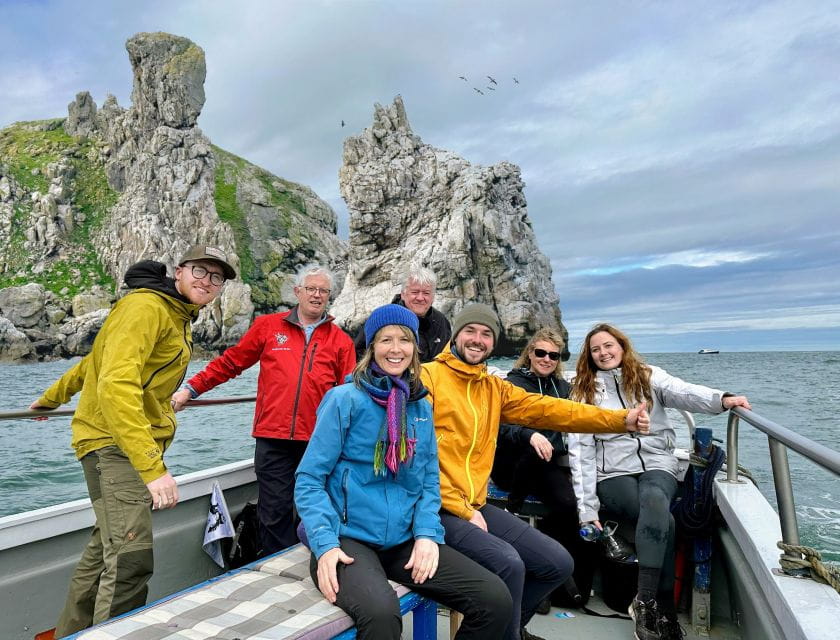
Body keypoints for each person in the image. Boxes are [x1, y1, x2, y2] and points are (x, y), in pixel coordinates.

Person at [30, 245, 235, 637]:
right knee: (130, 561)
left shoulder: (174, 314)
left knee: (103, 552)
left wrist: (52, 397)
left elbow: (95, 362)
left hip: (118, 442)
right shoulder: (147, 308)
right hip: (114, 445)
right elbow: (116, 383)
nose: (207, 282)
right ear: (179, 271)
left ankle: (70, 632)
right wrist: (153, 469)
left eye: (217, 277)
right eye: (200, 271)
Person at [420, 304, 651, 640]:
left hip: (474, 504)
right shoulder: (428, 378)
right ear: (455, 335)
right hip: (436, 506)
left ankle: (507, 630)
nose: (477, 339)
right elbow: (416, 457)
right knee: (509, 563)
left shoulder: (493, 388)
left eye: (486, 334)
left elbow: (554, 410)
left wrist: (621, 419)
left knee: (556, 563)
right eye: (470, 331)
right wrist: (459, 507)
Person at [295, 304, 512, 639]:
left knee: (495, 598)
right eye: (385, 340)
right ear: (371, 347)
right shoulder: (344, 400)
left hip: (403, 539)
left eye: (404, 340)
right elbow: (309, 480)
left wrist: (427, 534)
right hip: (348, 538)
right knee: (382, 615)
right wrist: (324, 546)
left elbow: (427, 480)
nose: (395, 349)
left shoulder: (420, 405)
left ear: (415, 348)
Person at [568, 323, 751, 640]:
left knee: (655, 501)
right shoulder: (585, 392)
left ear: (622, 347)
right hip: (612, 473)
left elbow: (683, 392)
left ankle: (645, 602)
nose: (603, 352)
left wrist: (721, 399)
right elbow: (580, 452)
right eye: (596, 349)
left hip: (657, 463)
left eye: (609, 345)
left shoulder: (648, 375)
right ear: (589, 355)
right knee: (663, 519)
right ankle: (663, 608)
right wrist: (587, 509)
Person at [171, 263, 355, 556]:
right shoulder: (269, 327)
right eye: (311, 289)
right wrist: (190, 389)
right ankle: (276, 568)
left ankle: (318, 562)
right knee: (274, 512)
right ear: (298, 292)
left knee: (319, 507)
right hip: (273, 437)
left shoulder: (340, 340)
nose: (317, 295)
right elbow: (231, 363)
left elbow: (350, 394)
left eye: (323, 291)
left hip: (319, 440)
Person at [490, 327, 596, 610]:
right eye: (540, 353)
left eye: (553, 354)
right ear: (530, 354)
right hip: (512, 465)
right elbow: (501, 426)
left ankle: (550, 579)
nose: (546, 359)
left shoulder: (562, 388)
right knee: (534, 451)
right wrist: (529, 434)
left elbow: (575, 423)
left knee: (566, 504)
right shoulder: (512, 383)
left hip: (543, 465)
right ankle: (513, 508)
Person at [353, 266, 451, 363]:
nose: (420, 298)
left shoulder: (441, 322)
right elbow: (359, 354)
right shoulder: (383, 319)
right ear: (403, 294)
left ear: (433, 297)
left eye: (426, 293)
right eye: (415, 292)